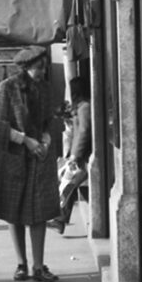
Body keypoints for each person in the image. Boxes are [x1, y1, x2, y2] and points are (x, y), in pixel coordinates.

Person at [0, 45, 61, 282]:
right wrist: (26, 141)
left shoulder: (45, 89)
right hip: (14, 157)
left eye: (44, 67)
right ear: (26, 67)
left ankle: (39, 266)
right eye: (38, 68)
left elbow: (50, 121)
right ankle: (22, 264)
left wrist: (46, 142)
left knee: (39, 212)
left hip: (39, 157)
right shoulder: (7, 88)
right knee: (15, 212)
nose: (42, 71)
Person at [48, 76, 92, 233]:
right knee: (70, 186)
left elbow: (83, 132)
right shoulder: (82, 107)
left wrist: (75, 155)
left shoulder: (84, 107)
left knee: (70, 185)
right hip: (80, 156)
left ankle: (60, 219)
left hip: (82, 157)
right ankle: (60, 219)